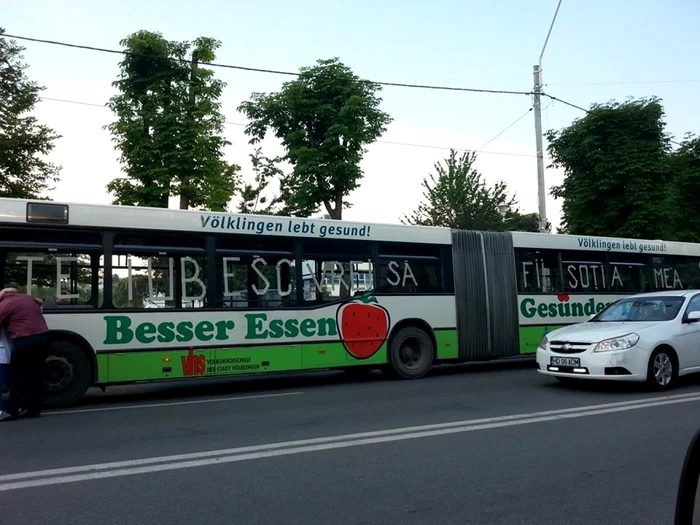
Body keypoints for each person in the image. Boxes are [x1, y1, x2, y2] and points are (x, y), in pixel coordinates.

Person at [0, 288, 49, 422]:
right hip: (44, 338)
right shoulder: (27, 298)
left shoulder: (6, 303)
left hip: (26, 341)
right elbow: (39, 302)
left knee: (17, 376)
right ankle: (33, 409)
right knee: (36, 375)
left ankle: (12, 411)